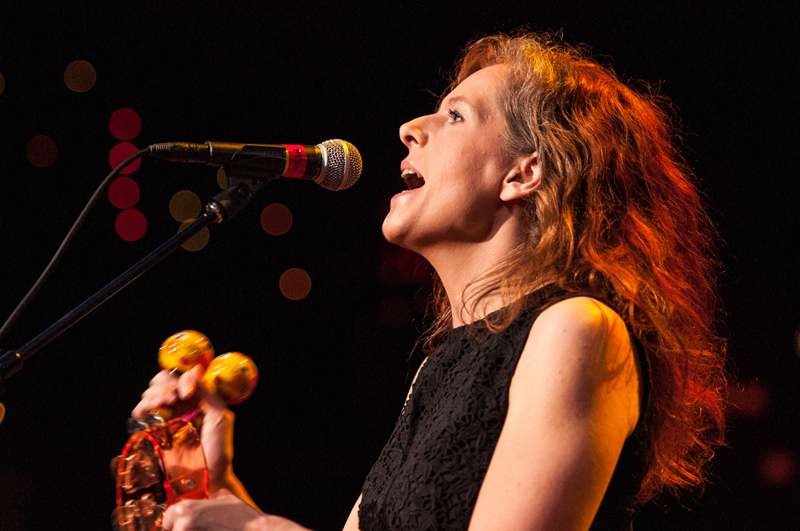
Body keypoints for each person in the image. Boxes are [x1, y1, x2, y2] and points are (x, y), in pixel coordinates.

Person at [133, 31, 727, 531]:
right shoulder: (439, 367)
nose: (409, 127)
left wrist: (252, 529)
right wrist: (209, 484)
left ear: (523, 173)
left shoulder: (576, 329)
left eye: (456, 116)